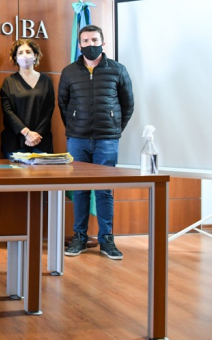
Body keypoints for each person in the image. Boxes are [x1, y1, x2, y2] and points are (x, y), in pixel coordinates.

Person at [58, 24, 134, 260]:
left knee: (104, 191)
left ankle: (106, 240)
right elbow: (63, 104)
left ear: (103, 43)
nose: (90, 45)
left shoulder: (118, 70)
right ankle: (79, 238)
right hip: (77, 140)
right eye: (86, 41)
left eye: (94, 40)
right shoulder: (69, 71)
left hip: (107, 140)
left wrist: (113, 129)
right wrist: (74, 128)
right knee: (79, 191)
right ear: (79, 45)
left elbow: (127, 105)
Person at [0, 39, 55, 157]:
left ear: (35, 55)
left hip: (41, 140)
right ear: (15, 58)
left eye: (28, 52)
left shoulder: (46, 81)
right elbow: (7, 112)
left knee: (42, 175)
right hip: (15, 142)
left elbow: (49, 111)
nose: (25, 55)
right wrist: (26, 133)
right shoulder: (9, 82)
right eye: (20, 53)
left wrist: (36, 135)